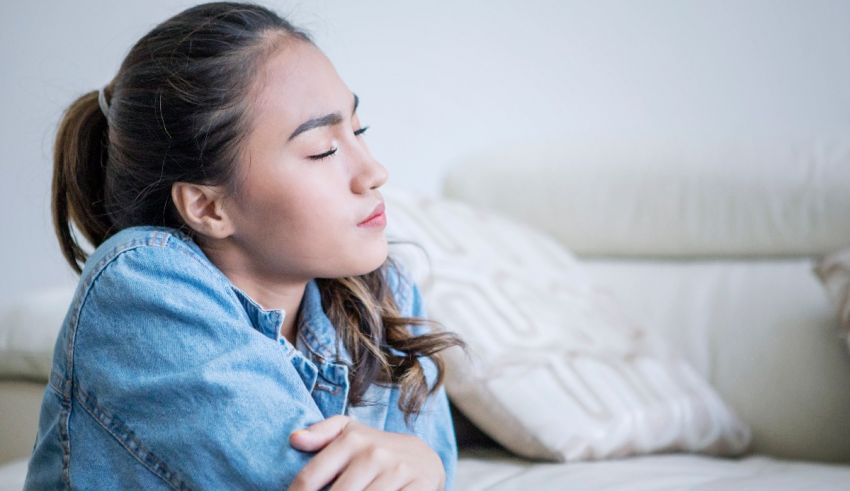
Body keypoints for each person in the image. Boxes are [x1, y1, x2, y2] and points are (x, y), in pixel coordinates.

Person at [23, 2, 468, 489]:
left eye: (358, 129)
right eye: (323, 149)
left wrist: (427, 463)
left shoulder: (381, 290)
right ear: (209, 207)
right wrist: (425, 468)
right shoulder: (139, 286)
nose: (374, 173)